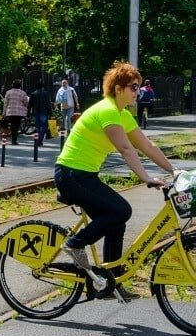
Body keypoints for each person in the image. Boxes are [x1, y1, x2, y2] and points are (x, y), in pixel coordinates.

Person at [56, 62, 174, 301]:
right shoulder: (108, 110)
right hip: (71, 174)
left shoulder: (122, 114)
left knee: (115, 222)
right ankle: (74, 244)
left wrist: (175, 169)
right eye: (133, 87)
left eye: (138, 87)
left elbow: (147, 145)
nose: (137, 91)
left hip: (84, 175)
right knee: (121, 210)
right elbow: (126, 149)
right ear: (118, 88)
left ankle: (108, 283)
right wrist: (146, 178)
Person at [2, 79, 29, 145]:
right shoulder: (23, 93)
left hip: (10, 112)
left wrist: (4, 113)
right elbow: (26, 102)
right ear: (20, 86)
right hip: (18, 112)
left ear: (12, 85)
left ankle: (13, 136)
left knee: (12, 125)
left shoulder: (8, 92)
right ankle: (14, 139)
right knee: (16, 125)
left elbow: (5, 103)